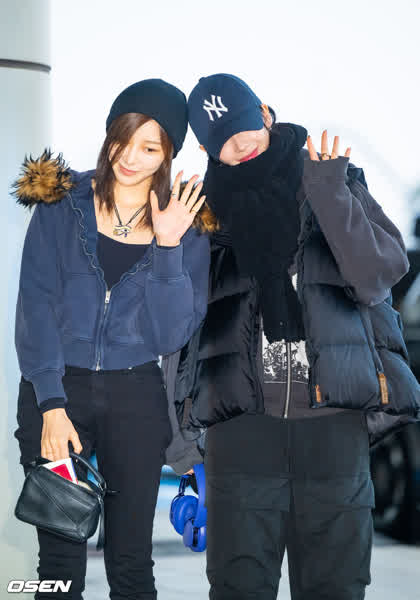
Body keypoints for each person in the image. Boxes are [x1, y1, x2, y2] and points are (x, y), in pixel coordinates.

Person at [162, 73, 420, 599]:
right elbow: (172, 332)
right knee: (238, 587)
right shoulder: (199, 215)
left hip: (333, 429)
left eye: (243, 124)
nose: (240, 142)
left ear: (264, 113)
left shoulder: (332, 179)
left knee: (336, 587)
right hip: (241, 435)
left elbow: (378, 275)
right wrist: (184, 450)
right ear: (209, 152)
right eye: (222, 140)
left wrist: (330, 194)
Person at [12, 78, 211, 600]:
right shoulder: (62, 204)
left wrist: (168, 246)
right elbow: (35, 307)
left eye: (150, 148)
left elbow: (170, 334)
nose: (131, 157)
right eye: (124, 138)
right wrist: (51, 406)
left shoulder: (186, 225)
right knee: (59, 563)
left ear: (168, 154)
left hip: (136, 399)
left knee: (130, 563)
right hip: (58, 394)